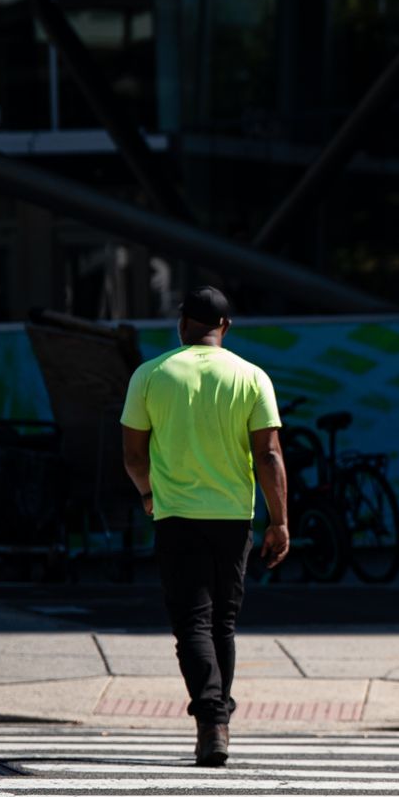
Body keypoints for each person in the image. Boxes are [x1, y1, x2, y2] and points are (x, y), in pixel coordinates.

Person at [120, 286, 289, 767]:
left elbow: (133, 455)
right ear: (226, 327)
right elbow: (270, 454)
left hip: (175, 515)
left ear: (182, 324)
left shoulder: (150, 375)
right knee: (223, 623)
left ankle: (211, 719)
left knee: (191, 622)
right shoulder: (252, 377)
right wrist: (279, 521)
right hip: (233, 517)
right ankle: (219, 720)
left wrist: (150, 494)